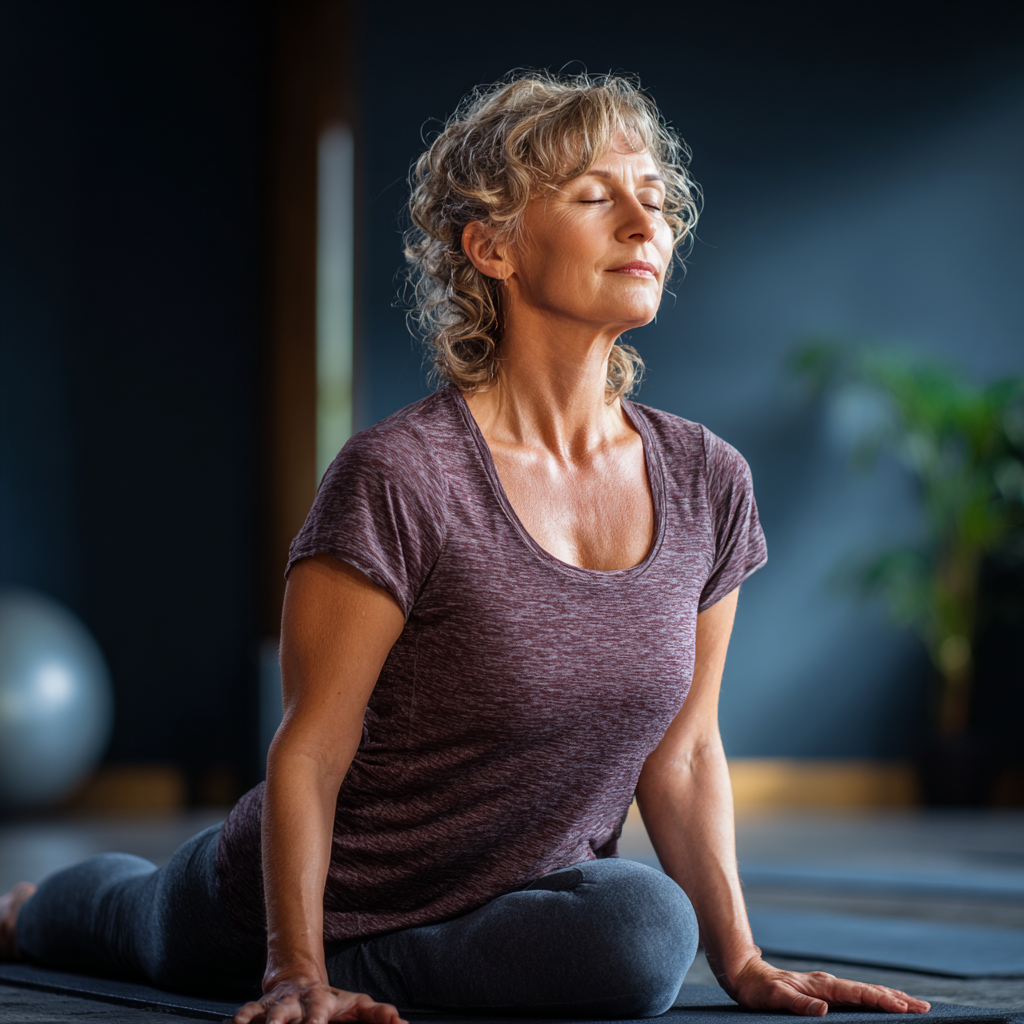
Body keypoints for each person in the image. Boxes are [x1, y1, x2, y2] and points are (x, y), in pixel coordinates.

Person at [0, 72, 931, 1024]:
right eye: (595, 197)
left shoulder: (707, 481)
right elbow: (311, 750)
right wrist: (295, 969)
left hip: (518, 901)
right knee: (126, 916)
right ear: (492, 247)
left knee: (644, 927)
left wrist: (743, 962)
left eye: (654, 200)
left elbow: (686, 754)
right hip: (303, 901)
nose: (644, 225)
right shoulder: (401, 475)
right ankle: (35, 910)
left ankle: (387, 969)